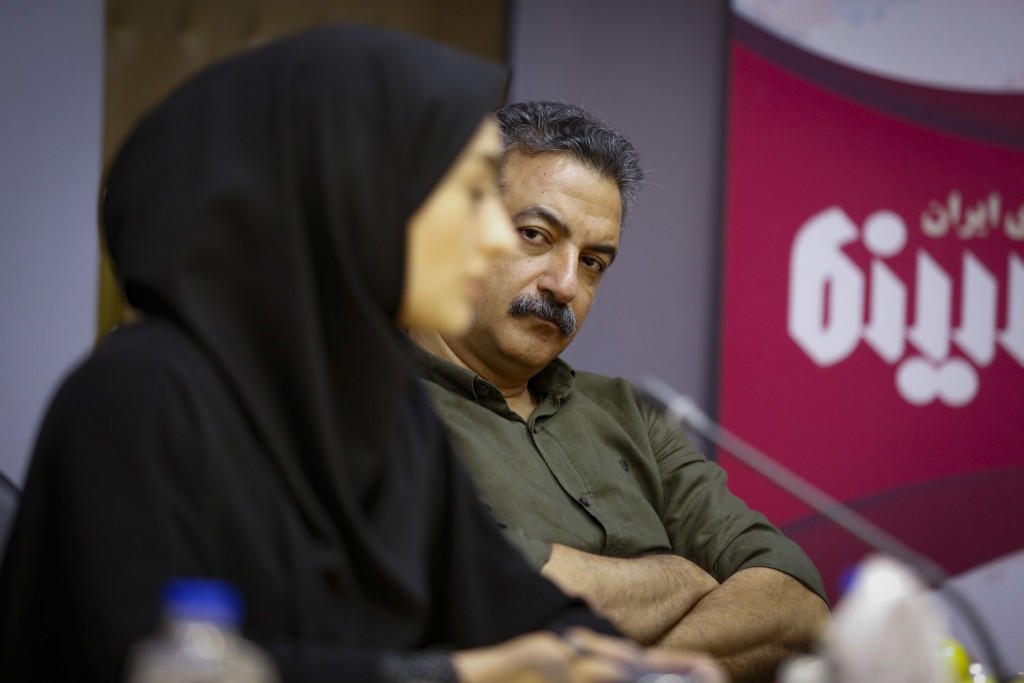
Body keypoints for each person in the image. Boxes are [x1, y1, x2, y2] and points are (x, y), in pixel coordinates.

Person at [0, 28, 726, 683]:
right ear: (354, 188)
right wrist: (455, 677)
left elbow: (516, 605)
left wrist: (633, 668)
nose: (493, 238)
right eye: (470, 195)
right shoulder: (137, 395)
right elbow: (149, 665)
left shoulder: (385, 416)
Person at [411, 101, 831, 683]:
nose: (565, 285)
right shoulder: (374, 408)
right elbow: (498, 593)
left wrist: (636, 673)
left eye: (592, 262)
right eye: (535, 235)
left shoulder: (628, 412)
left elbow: (795, 603)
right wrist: (683, 577)